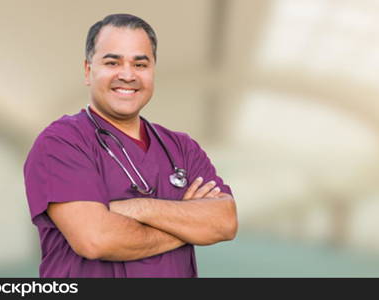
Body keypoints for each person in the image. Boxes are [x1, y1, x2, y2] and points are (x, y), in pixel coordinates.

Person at [23, 14, 237, 278]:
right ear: (88, 71)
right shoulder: (61, 143)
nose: (127, 75)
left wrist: (138, 208)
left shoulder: (182, 147)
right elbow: (96, 239)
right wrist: (187, 223)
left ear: (153, 71)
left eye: (140, 64)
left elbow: (225, 222)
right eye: (113, 62)